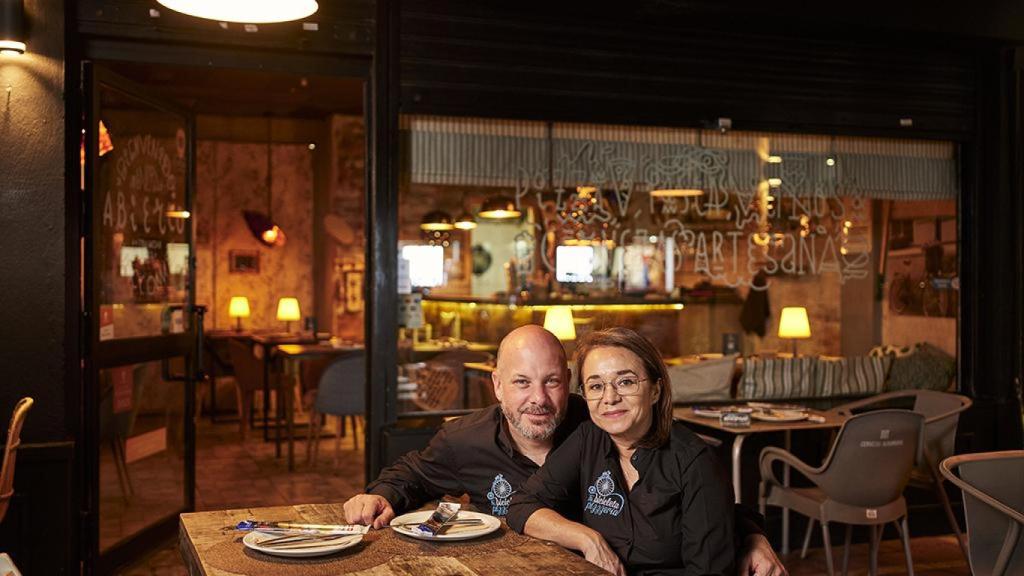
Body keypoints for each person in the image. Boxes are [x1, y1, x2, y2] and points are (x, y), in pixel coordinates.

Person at [343, 324, 786, 576]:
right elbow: (413, 475)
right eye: (521, 382)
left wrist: (749, 536)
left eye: (552, 381)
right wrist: (379, 495)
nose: (538, 397)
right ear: (497, 385)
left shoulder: (592, 423)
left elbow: (700, 498)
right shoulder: (466, 440)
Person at [507, 327, 735, 575]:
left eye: (626, 382)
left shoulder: (695, 461)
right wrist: (587, 539)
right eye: (596, 386)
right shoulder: (588, 438)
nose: (610, 397)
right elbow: (523, 505)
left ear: (656, 390)